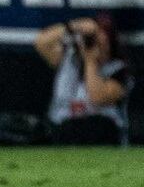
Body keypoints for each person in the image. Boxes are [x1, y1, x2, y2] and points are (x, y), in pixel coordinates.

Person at [33, 15, 133, 144]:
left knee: (96, 126)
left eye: (101, 43)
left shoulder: (118, 70)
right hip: (64, 130)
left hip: (101, 133)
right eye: (91, 41)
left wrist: (90, 62)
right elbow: (41, 43)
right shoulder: (68, 59)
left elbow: (97, 97)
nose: (95, 46)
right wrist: (74, 26)